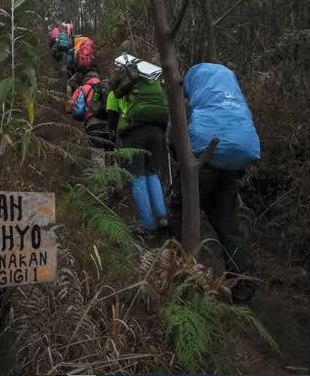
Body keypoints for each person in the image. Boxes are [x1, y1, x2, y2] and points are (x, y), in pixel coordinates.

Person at [169, 62, 261, 303]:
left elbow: (176, 142)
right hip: (231, 170)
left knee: (179, 212)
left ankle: (186, 275)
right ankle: (243, 285)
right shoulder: (235, 106)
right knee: (228, 227)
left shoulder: (195, 108)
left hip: (202, 168)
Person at [106, 61, 170, 233]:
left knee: (137, 177)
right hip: (158, 130)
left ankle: (148, 224)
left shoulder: (118, 90)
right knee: (152, 174)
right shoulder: (152, 83)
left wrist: (111, 136)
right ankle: (162, 216)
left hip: (134, 133)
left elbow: (111, 118)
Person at [66, 71, 110, 166]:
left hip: (92, 124)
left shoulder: (82, 89)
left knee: (97, 154)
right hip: (109, 124)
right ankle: (114, 178)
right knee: (111, 154)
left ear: (86, 79)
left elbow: (69, 108)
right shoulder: (105, 87)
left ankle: (100, 179)